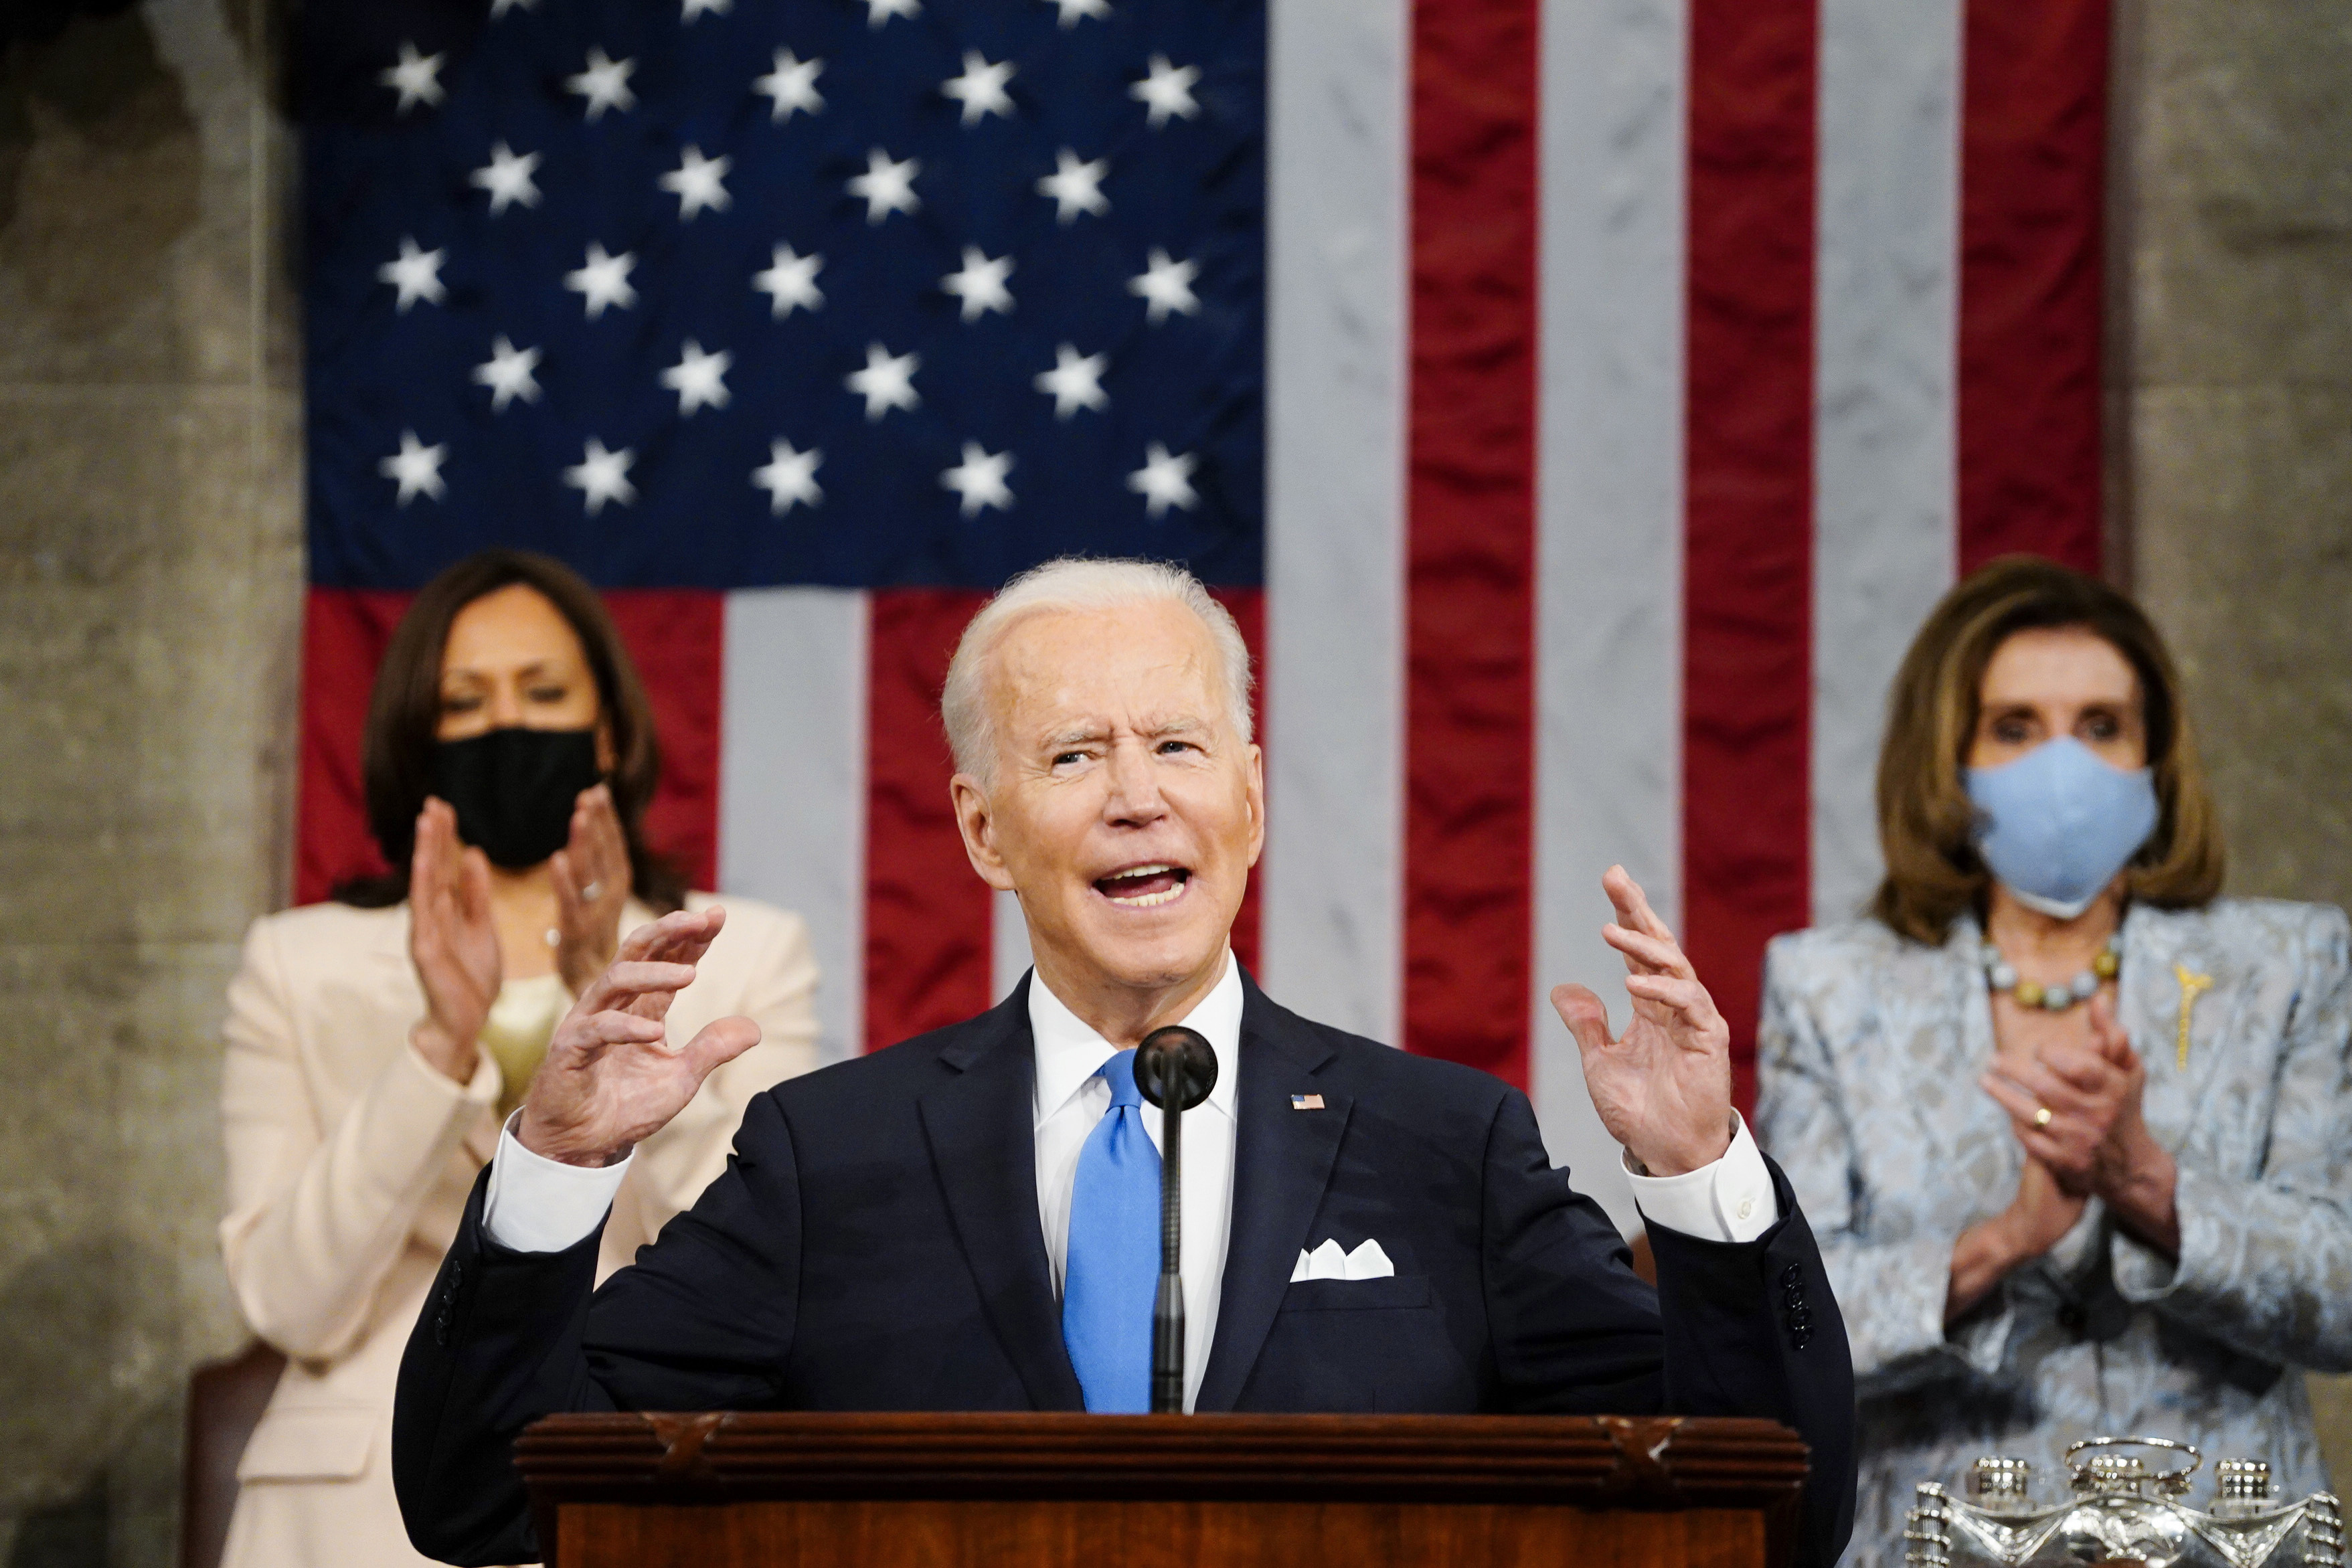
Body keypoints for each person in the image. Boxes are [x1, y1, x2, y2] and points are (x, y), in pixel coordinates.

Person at [391, 557, 1857, 1567]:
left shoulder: (1444, 1147)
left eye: (1178, 744)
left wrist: (1697, 1177)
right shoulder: (829, 1158)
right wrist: (556, 1167)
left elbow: (1768, 1512)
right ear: (982, 830)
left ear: (1252, 796)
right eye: (1074, 755)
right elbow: (480, 1490)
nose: (1138, 798)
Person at [217, 550, 821, 1568]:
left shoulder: (747, 952)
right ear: (420, 738)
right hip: (350, 1515)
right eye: (466, 701)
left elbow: (770, 1266)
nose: (509, 725)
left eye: (544, 693)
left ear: (610, 728)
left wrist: (623, 1005)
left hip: (648, 1476)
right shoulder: (295, 961)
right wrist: (435, 1049)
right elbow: (287, 1303)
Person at [1756, 556, 2352, 1565]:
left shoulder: (2284, 966)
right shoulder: (1830, 986)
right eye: (2014, 727)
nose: (2061, 768)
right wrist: (2000, 1242)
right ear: (1945, 757)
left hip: (2224, 1540)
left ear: (2157, 758)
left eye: (2101, 726)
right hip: (1936, 1541)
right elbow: (1789, 1334)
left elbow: (2339, 1296)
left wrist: (2151, 1188)